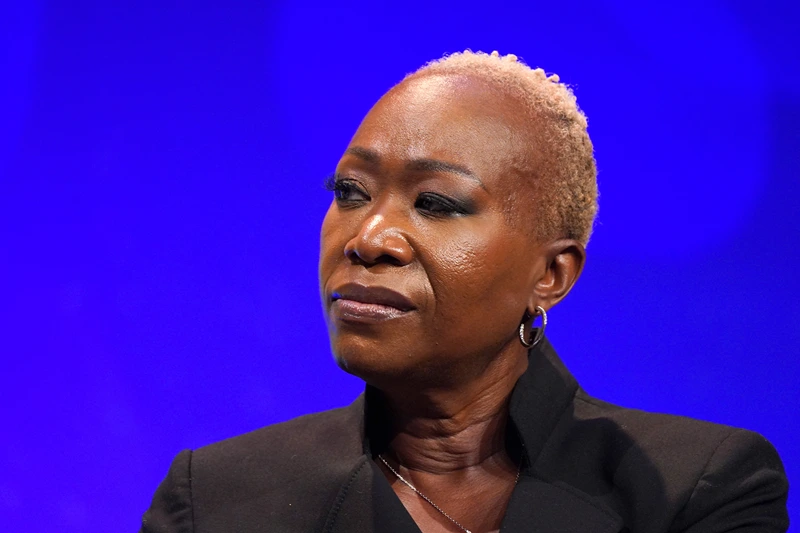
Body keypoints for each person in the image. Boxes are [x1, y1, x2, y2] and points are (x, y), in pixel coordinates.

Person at [140, 51, 789, 533]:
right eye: (350, 192)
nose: (368, 237)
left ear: (551, 275)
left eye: (436, 202)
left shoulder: (695, 490)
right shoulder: (217, 500)